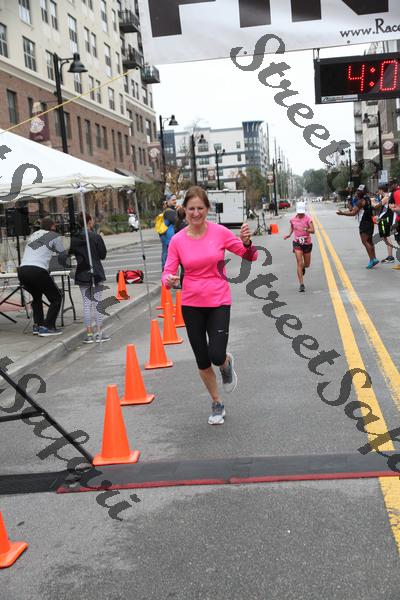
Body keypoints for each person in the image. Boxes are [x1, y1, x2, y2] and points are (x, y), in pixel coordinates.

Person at [162, 186, 258, 426]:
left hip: (218, 301)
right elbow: (167, 272)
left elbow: (250, 256)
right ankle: (216, 402)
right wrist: (169, 280)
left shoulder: (220, 232)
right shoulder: (177, 240)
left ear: (207, 209)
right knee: (202, 360)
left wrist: (247, 242)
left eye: (200, 208)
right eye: (191, 209)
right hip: (191, 304)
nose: (196, 213)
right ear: (185, 210)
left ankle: (225, 364)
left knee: (215, 354)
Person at [18, 217, 66, 336]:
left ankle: (38, 325)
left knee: (36, 297)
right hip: (37, 270)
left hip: (22, 270)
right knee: (56, 298)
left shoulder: (33, 235)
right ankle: (48, 326)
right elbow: (62, 254)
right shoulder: (53, 235)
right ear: (52, 226)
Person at [69, 212, 110, 344]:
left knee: (86, 304)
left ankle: (89, 333)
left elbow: (70, 253)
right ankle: (100, 332)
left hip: (82, 272)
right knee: (97, 304)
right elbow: (102, 255)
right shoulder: (95, 236)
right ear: (89, 221)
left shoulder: (74, 238)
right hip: (96, 271)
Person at [337, 185, 379, 269]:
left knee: (365, 241)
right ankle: (374, 258)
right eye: (357, 190)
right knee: (370, 241)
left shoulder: (360, 201)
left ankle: (372, 259)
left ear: (362, 192)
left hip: (364, 223)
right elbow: (354, 210)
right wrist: (350, 207)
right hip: (370, 222)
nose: (357, 192)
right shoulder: (367, 199)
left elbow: (353, 213)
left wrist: (342, 213)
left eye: (359, 191)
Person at [284, 201, 314, 292]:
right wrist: (289, 234)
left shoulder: (308, 219)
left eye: (302, 213)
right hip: (297, 243)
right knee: (299, 263)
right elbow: (292, 227)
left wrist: (305, 229)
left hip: (307, 243)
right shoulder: (293, 219)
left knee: (307, 264)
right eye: (299, 212)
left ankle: (303, 267)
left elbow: (313, 230)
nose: (300, 214)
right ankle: (301, 284)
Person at [373, 184, 394, 263]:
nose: (378, 192)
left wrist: (371, 202)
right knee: (385, 237)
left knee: (387, 236)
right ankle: (389, 256)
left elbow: (376, 206)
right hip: (384, 218)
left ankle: (390, 257)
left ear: (381, 190)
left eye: (379, 190)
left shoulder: (386, 197)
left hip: (385, 219)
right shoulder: (386, 196)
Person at [160, 194, 177, 270]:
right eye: (173, 200)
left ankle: (165, 268)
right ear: (168, 201)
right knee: (167, 253)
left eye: (175, 200)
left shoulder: (168, 210)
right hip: (168, 237)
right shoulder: (169, 212)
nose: (175, 201)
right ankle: (166, 268)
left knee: (165, 252)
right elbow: (177, 221)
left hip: (166, 236)